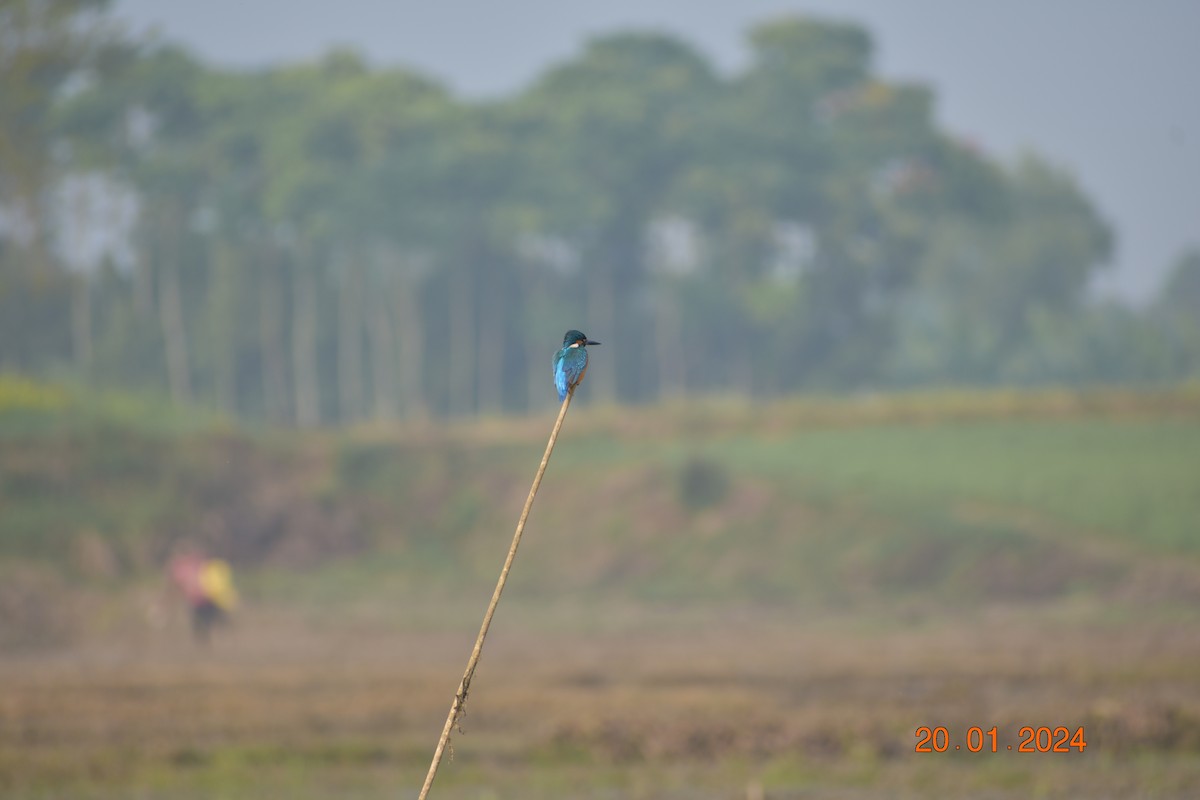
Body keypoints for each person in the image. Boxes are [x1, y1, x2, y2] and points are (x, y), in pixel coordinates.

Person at [167, 552, 239, 644]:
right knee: (204, 623)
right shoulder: (200, 566)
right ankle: (206, 641)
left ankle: (209, 640)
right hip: (201, 600)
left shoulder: (200, 566)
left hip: (207, 599)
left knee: (207, 622)